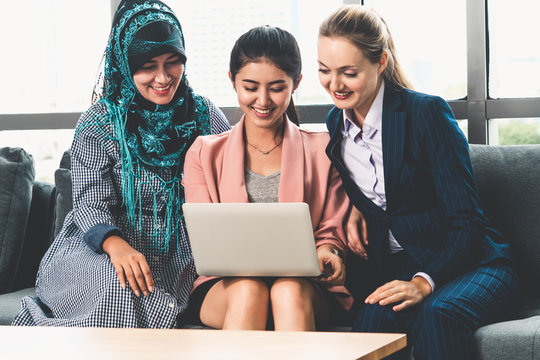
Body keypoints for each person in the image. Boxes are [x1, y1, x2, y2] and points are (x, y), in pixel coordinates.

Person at [317, 5, 520, 359]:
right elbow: (380, 196)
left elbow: (467, 220)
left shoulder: (425, 113)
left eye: (348, 73)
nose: (334, 85)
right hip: (402, 267)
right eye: (324, 70)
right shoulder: (336, 125)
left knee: (437, 315)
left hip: (476, 263)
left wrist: (423, 281)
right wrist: (355, 209)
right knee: (370, 325)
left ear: (380, 62)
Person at [12, 0, 230, 328]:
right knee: (118, 284)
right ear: (125, 64)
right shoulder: (99, 123)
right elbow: (90, 205)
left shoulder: (205, 115)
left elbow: (235, 182)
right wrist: (118, 248)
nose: (163, 77)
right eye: (147, 66)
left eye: (173, 62)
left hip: (180, 254)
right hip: (102, 248)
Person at [182, 25, 352, 331]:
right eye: (250, 87)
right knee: (249, 290)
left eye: (276, 88)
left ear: (296, 82)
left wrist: (328, 250)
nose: (263, 100)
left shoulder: (324, 149)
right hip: (227, 287)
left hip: (306, 286)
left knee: (287, 290)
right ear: (232, 80)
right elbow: (205, 239)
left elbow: (332, 228)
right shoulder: (203, 153)